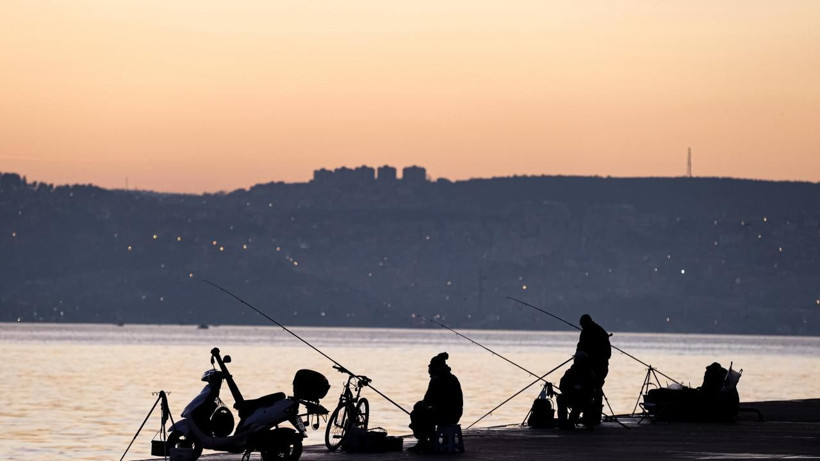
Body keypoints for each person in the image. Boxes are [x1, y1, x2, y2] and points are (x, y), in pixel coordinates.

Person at [408, 352, 463, 452]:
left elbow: (427, 402)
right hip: (456, 415)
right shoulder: (453, 378)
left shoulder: (436, 380)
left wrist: (418, 405)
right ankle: (430, 440)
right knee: (426, 413)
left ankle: (425, 441)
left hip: (445, 416)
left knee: (416, 414)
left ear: (435, 368)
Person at [576, 313, 611, 423]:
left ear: (587, 323)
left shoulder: (600, 333)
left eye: (582, 325)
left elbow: (607, 354)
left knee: (596, 389)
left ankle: (596, 415)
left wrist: (592, 356)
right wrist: (578, 357)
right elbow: (579, 347)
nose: (582, 327)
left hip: (600, 367)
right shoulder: (585, 332)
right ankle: (587, 414)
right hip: (587, 367)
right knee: (586, 389)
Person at [556, 351, 597, 429]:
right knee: (560, 398)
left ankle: (578, 419)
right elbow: (562, 386)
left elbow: (592, 389)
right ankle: (563, 422)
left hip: (584, 399)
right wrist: (569, 392)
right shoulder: (570, 372)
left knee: (584, 401)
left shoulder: (589, 374)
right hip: (571, 396)